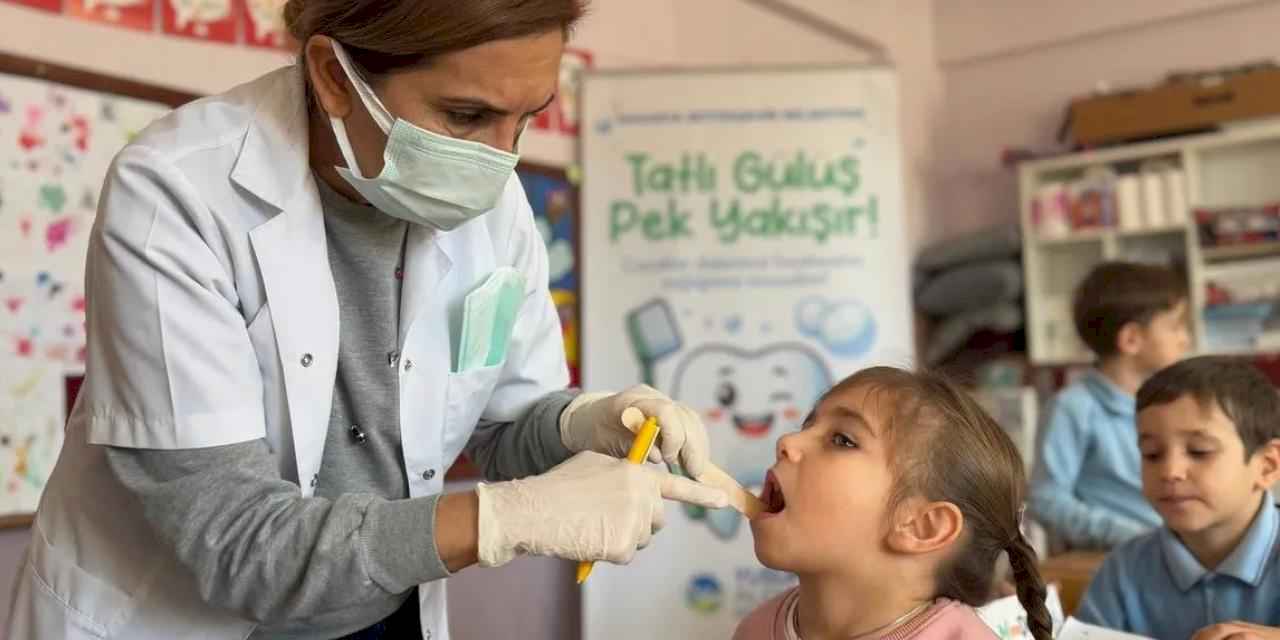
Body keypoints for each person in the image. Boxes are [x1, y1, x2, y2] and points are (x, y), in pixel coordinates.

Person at [6, 2, 731, 639]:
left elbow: (502, 423)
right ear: (331, 75)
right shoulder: (177, 196)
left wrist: (583, 424)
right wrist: (499, 520)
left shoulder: (495, 208)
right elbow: (238, 544)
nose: (500, 160)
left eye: (529, 118)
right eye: (467, 116)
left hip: (386, 610)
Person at [733, 367, 1051, 640]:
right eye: (807, 426)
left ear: (921, 526)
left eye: (842, 440)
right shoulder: (754, 630)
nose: (786, 441)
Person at [1077, 357, 1280, 640]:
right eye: (1152, 454)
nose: (1170, 472)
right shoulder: (1122, 571)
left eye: (1199, 451)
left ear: (1266, 466)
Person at [1030, 261, 1191, 549]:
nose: (1185, 339)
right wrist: (1135, 537)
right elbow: (1046, 500)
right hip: (1118, 562)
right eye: (1175, 326)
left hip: (1173, 551)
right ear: (1131, 339)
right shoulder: (1072, 407)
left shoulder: (1167, 407)